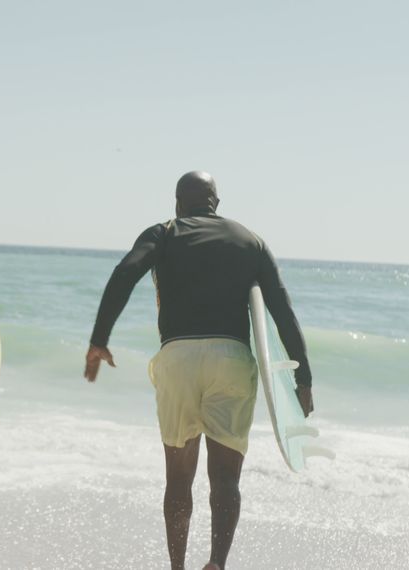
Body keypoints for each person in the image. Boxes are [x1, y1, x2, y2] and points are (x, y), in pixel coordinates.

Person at [83, 171, 314, 570]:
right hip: (232, 359)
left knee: (178, 477)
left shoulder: (163, 232)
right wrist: (303, 377)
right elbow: (280, 308)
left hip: (178, 358)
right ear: (216, 205)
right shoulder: (250, 241)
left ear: (177, 203)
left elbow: (125, 273)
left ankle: (177, 568)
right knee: (226, 478)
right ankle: (217, 565)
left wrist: (99, 338)